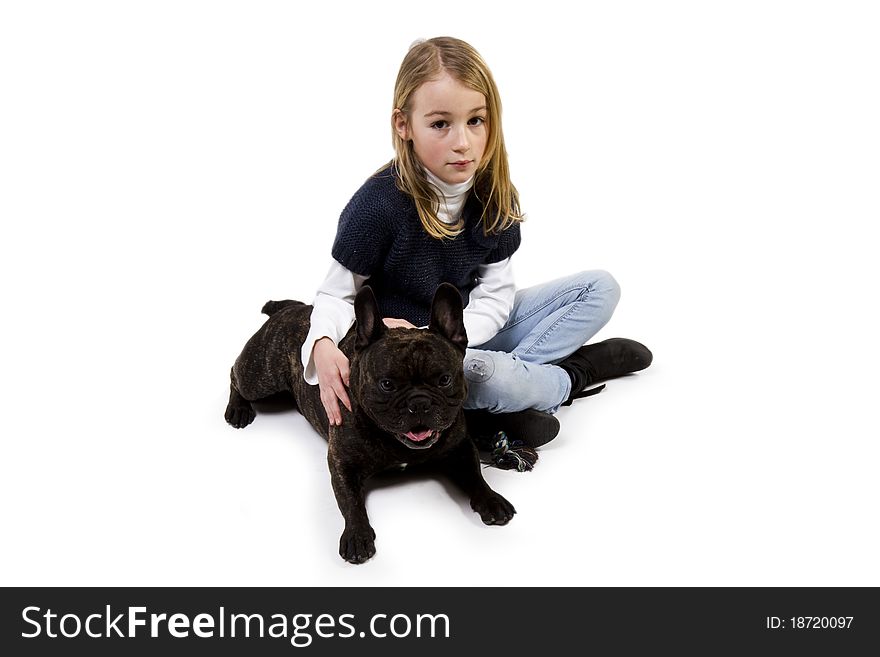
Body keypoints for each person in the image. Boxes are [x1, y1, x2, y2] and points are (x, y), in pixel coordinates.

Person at [301, 36, 651, 461]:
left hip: (463, 332)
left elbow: (497, 295)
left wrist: (455, 340)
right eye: (440, 124)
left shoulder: (493, 194)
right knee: (480, 372)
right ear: (403, 125)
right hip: (412, 361)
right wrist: (321, 342)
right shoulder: (377, 206)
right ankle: (572, 376)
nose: (463, 142)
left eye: (476, 121)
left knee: (600, 287)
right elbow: (336, 293)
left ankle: (503, 396)